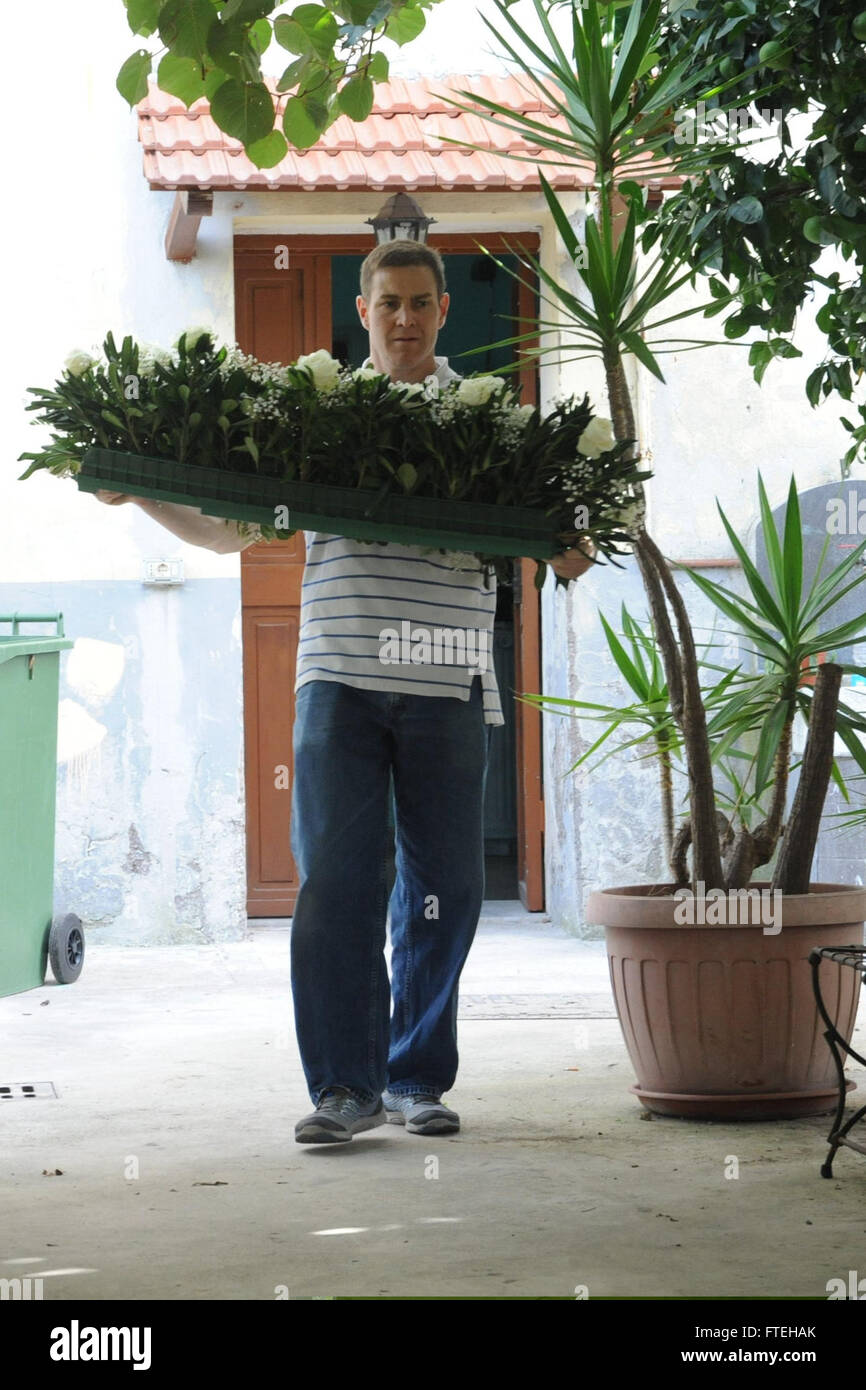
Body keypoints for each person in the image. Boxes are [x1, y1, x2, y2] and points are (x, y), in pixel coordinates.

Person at [96, 239, 594, 1145]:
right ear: (362, 314)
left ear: (444, 311)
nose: (403, 318)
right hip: (339, 678)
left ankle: (415, 1078)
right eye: (387, 303)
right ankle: (343, 1089)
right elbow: (223, 533)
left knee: (447, 887)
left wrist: (569, 539)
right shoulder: (319, 421)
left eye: (418, 302)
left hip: (448, 680)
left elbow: (566, 545)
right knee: (335, 885)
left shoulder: (489, 424)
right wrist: (137, 495)